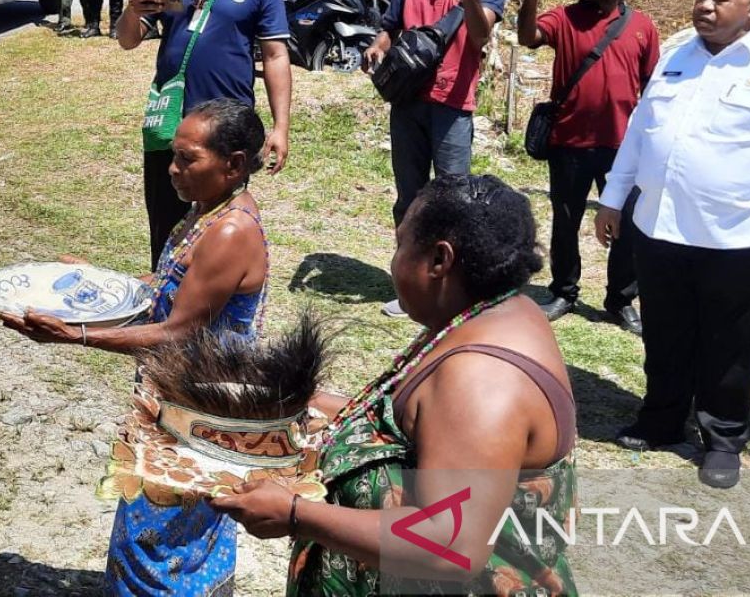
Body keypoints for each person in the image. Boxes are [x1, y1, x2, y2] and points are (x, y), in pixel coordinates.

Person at [212, 174, 578, 596]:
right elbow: (428, 428)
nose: (394, 260)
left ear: (440, 261)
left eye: (401, 244)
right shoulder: (494, 312)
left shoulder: (480, 381)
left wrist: (296, 514)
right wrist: (301, 404)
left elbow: (453, 543)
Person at [1, 99, 271, 597]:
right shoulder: (206, 212)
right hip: (174, 400)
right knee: (160, 524)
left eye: (188, 159)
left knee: (168, 537)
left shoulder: (229, 231)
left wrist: (74, 334)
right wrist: (93, 283)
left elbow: (177, 331)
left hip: (198, 410)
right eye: (174, 155)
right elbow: (168, 286)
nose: (173, 169)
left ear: (233, 165)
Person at [595, 0, 750, 490]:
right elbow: (641, 132)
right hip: (658, 227)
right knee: (665, 333)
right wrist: (613, 200)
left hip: (734, 236)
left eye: (720, 0)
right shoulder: (675, 55)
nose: (705, 7)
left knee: (729, 345)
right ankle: (662, 420)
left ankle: (723, 438)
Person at [116, 0, 293, 269]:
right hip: (173, 128)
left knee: (218, 230)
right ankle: (164, 305)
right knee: (166, 226)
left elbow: (276, 54)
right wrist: (131, 13)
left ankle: (208, 314)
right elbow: (127, 41)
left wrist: (281, 127)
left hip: (226, 129)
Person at [362, 0, 507, 318]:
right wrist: (377, 47)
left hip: (453, 105)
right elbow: (391, 28)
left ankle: (451, 292)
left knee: (453, 200)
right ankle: (410, 288)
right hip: (408, 101)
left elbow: (480, 36)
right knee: (409, 197)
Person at [518, 0, 659, 332]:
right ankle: (564, 290)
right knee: (566, 221)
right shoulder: (564, 18)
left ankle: (620, 299)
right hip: (569, 142)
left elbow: (651, 89)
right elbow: (527, 38)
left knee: (627, 224)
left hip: (622, 148)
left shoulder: (643, 27)